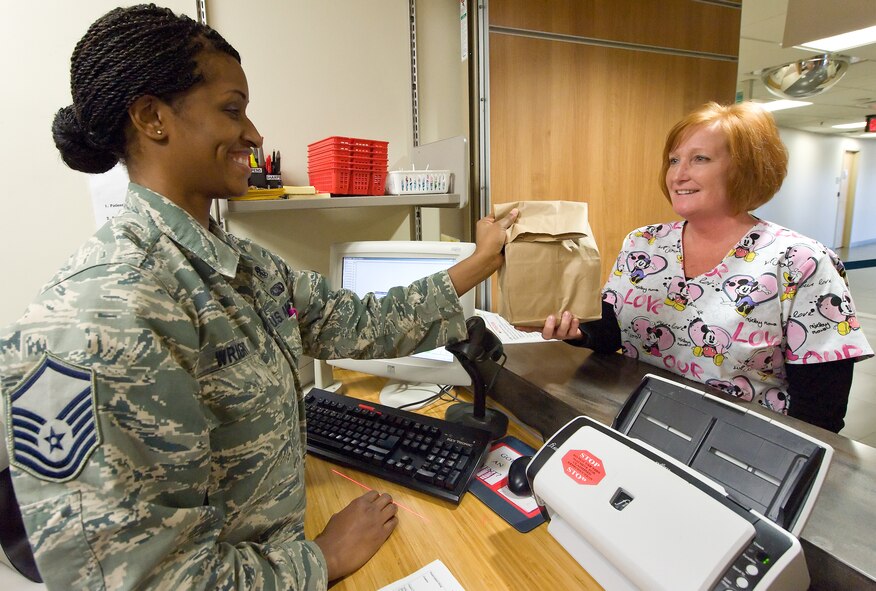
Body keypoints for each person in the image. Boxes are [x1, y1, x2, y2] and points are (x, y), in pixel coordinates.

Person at [0, 5, 516, 589]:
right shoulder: (104, 311)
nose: (254, 134)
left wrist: (477, 263)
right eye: (232, 109)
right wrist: (320, 560)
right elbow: (147, 580)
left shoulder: (240, 268)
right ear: (152, 117)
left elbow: (356, 322)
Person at [538, 101, 872, 433]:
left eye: (700, 159)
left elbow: (820, 411)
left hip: (739, 446)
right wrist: (579, 332)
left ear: (745, 169)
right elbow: (615, 330)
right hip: (640, 422)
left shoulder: (801, 262)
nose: (678, 175)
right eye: (673, 160)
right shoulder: (643, 243)